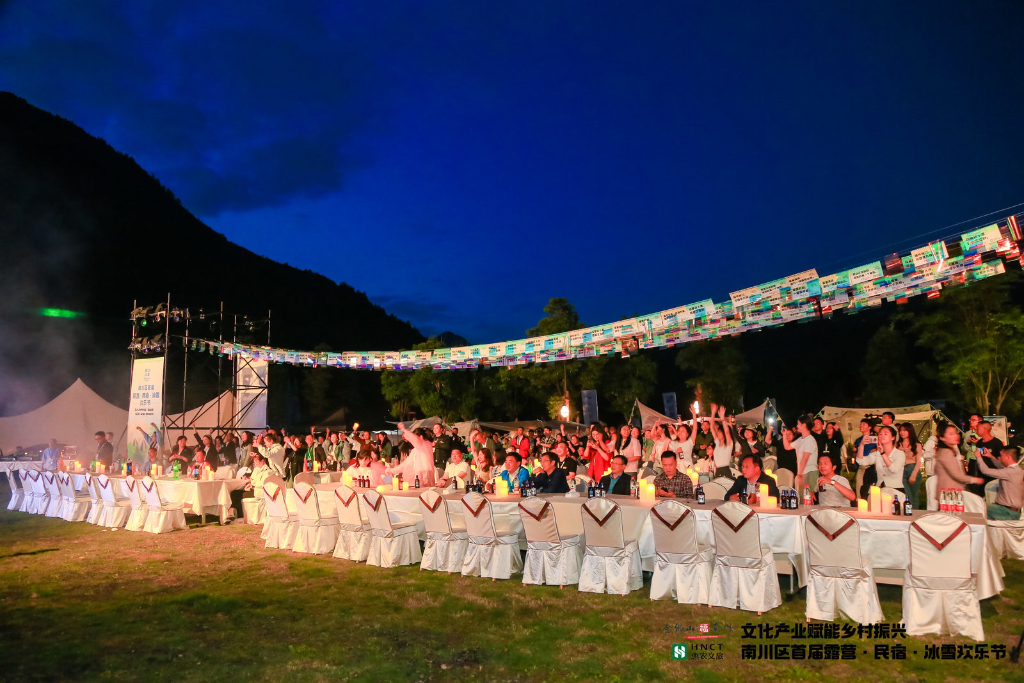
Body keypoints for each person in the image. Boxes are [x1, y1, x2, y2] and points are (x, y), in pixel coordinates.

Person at [932, 422, 984, 496]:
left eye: (956, 433)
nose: (956, 436)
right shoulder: (946, 452)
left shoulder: (950, 450)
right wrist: (975, 480)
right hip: (949, 494)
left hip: (952, 492)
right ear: (942, 438)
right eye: (951, 434)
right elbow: (956, 475)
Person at [976, 446, 1024, 520]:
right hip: (1007, 510)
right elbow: (1001, 466)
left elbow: (985, 471)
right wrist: (991, 456)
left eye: (1002, 456)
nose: (1000, 458)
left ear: (1008, 457)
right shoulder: (1016, 470)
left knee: (976, 506)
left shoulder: (1011, 472)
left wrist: (978, 457)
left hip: (1007, 512)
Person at [856, 425, 905, 491]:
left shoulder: (899, 454)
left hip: (896, 489)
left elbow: (894, 469)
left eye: (886, 434)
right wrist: (861, 445)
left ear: (893, 437)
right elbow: (861, 461)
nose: (882, 436)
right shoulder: (877, 454)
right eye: (880, 434)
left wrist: (883, 454)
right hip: (879, 489)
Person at [388, 422, 437, 487]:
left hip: (425, 482)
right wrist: (392, 471)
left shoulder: (426, 445)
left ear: (421, 437)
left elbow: (416, 440)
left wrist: (404, 430)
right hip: (415, 483)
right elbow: (405, 464)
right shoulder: (415, 450)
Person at [968, 420, 1004, 495]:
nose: (975, 430)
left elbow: (1001, 462)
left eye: (977, 428)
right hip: (980, 475)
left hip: (992, 477)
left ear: (984, 429)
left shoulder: (997, 443)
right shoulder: (980, 442)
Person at [898, 423, 924, 508]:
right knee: (906, 494)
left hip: (912, 468)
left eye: (905, 430)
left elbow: (919, 461)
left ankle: (915, 514)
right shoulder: (898, 444)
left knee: (914, 495)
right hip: (901, 470)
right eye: (901, 430)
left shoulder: (916, 444)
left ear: (910, 431)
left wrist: (914, 474)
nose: (902, 432)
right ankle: (908, 512)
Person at [793, 414, 819, 492]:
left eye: (798, 424)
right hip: (803, 472)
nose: (797, 426)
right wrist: (784, 435)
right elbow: (787, 447)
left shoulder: (810, 440)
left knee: (808, 498)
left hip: (809, 472)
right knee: (802, 499)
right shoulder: (800, 439)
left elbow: (805, 459)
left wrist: (799, 474)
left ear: (803, 425)